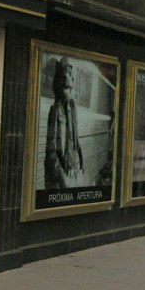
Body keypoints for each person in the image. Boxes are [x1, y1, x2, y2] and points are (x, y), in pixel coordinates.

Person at [44, 57, 83, 190]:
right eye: (69, 73)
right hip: (63, 178)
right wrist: (63, 179)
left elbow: (75, 141)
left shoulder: (72, 107)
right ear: (60, 78)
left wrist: (80, 165)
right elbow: (51, 152)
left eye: (72, 74)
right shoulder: (56, 109)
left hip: (74, 172)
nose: (72, 78)